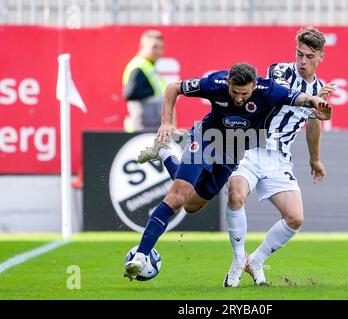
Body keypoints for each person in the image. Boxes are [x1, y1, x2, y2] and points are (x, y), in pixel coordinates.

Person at [124, 62, 332, 281]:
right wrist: (166, 123)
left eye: (244, 93)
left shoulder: (268, 90)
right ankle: (140, 255)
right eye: (234, 92)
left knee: (191, 205)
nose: (239, 98)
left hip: (232, 153)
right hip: (205, 141)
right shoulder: (215, 83)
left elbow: (299, 98)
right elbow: (173, 87)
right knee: (177, 196)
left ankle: (165, 153)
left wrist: (315, 101)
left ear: (254, 86)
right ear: (228, 84)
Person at [223, 27, 336, 287]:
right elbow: (285, 96)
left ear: (321, 57)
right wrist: (313, 101)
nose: (302, 61)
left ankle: (256, 260)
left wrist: (315, 159)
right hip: (252, 147)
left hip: (279, 158)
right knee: (236, 193)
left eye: (309, 56)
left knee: (295, 218)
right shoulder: (279, 71)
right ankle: (239, 259)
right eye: (299, 54)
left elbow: (313, 123)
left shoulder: (319, 89)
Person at [122, 29, 170, 132]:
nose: (158, 51)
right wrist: (151, 91)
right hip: (143, 128)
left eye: (161, 48)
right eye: (154, 47)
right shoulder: (138, 66)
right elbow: (130, 93)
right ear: (143, 46)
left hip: (153, 128)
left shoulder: (149, 66)